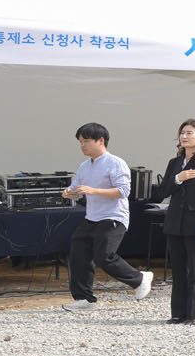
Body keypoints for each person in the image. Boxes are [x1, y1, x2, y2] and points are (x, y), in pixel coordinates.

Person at [60, 124, 152, 311]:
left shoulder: (116, 163)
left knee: (104, 256)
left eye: (86, 141)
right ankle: (84, 299)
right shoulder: (84, 166)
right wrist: (70, 192)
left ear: (100, 141)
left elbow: (123, 191)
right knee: (78, 254)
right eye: (80, 142)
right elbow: (77, 187)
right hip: (92, 217)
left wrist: (93, 190)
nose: (82, 145)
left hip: (113, 217)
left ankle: (140, 278)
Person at [156, 119, 195, 324]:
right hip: (175, 222)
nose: (184, 136)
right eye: (182, 133)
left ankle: (194, 314)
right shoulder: (174, 163)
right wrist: (179, 178)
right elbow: (163, 192)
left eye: (189, 133)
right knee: (178, 269)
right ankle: (177, 313)